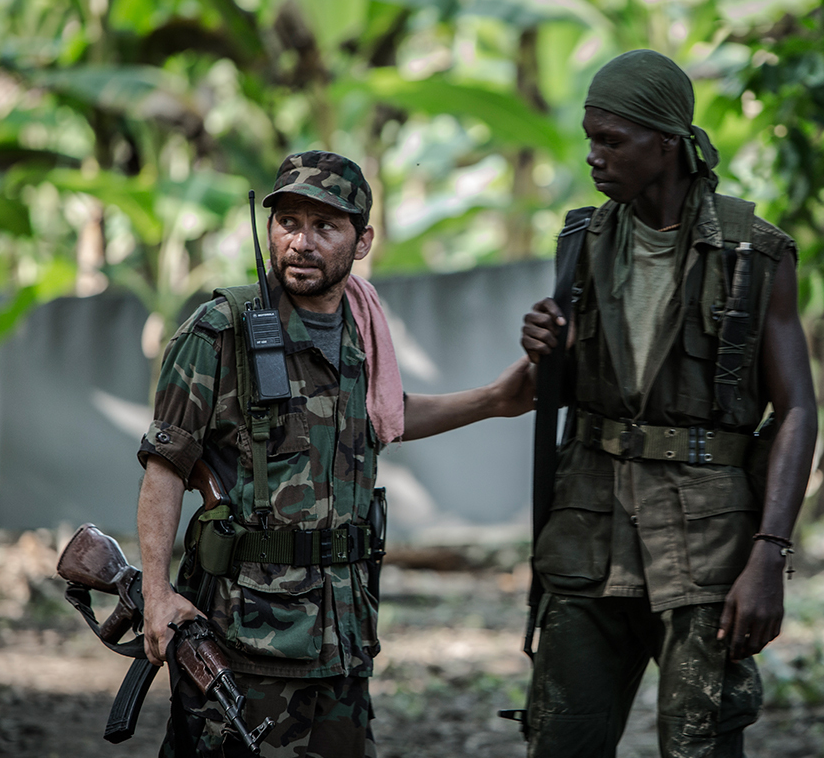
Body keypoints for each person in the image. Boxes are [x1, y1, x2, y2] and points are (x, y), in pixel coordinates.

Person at [136, 150, 534, 757]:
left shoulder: (362, 329)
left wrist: (493, 401)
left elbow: (384, 416)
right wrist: (157, 594)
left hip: (344, 631)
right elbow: (166, 465)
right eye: (288, 222)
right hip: (249, 638)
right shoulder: (220, 330)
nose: (301, 242)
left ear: (362, 240)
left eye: (325, 226)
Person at [519, 50, 818, 757]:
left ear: (666, 142)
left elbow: (798, 410)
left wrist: (769, 555)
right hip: (588, 539)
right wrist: (548, 349)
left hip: (705, 549)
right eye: (590, 138)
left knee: (700, 744)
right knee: (560, 740)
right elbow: (568, 393)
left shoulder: (753, 254)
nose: (593, 156)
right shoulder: (582, 242)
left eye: (611, 140)